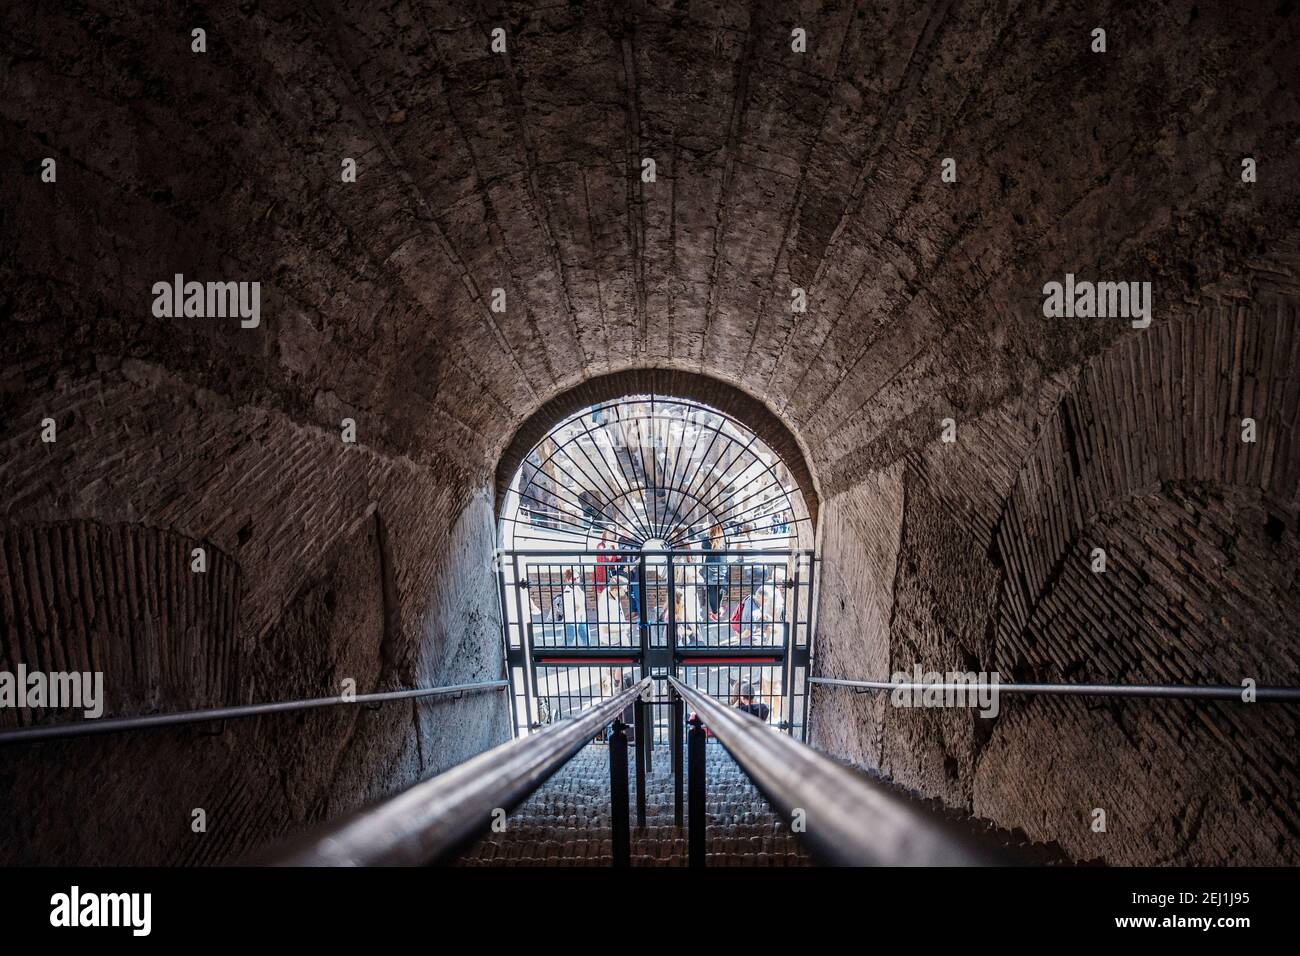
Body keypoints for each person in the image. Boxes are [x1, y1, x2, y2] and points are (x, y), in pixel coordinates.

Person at [561, 568, 589, 646]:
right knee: (569, 642)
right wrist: (577, 606)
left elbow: (579, 606)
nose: (576, 580)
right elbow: (572, 608)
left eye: (578, 578)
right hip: (571, 621)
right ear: (568, 579)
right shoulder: (567, 592)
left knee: (587, 640)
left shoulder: (577, 588)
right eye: (574, 578)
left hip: (581, 618)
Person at [703, 524, 725, 619]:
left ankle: (715, 612)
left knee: (711, 591)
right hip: (722, 568)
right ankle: (718, 609)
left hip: (710, 569)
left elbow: (703, 548)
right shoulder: (724, 541)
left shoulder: (706, 541)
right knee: (720, 589)